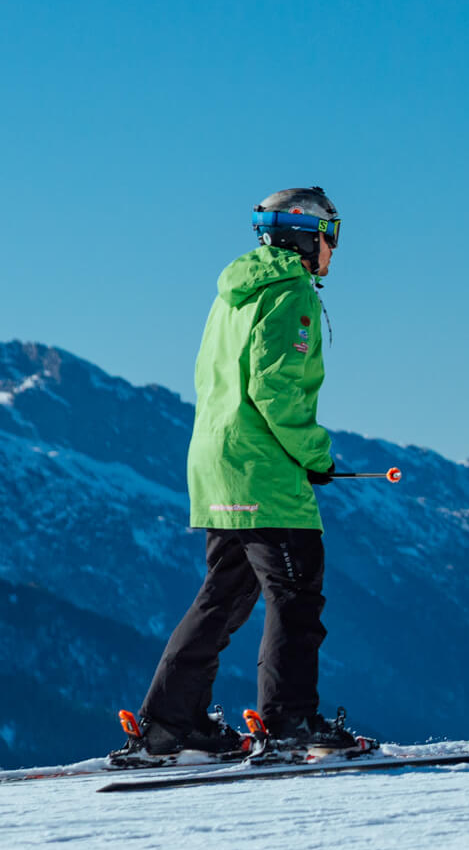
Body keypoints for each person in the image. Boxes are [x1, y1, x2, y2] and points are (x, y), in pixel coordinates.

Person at [116, 186, 366, 762]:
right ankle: (289, 723)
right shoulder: (291, 293)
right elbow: (275, 389)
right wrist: (316, 456)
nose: (334, 248)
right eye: (331, 234)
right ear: (305, 235)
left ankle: (170, 724)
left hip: (217, 464)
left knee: (223, 596)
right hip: (264, 470)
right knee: (295, 596)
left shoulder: (233, 293)